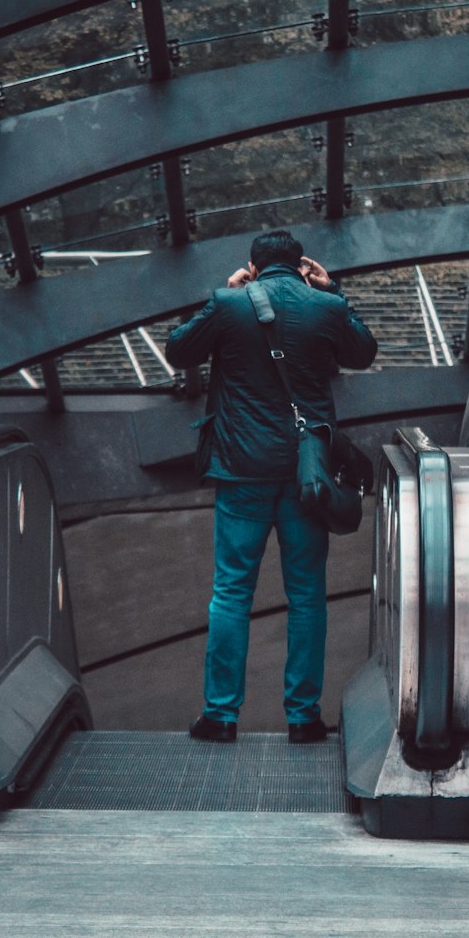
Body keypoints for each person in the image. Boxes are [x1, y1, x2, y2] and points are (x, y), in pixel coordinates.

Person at [165, 229, 377, 743]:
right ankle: (303, 718)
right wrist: (331, 292)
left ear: (254, 268)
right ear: (303, 266)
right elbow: (364, 351)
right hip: (308, 473)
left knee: (232, 592)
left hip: (241, 470)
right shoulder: (322, 305)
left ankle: (220, 714)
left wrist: (227, 288)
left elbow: (178, 351)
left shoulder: (230, 303)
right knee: (307, 596)